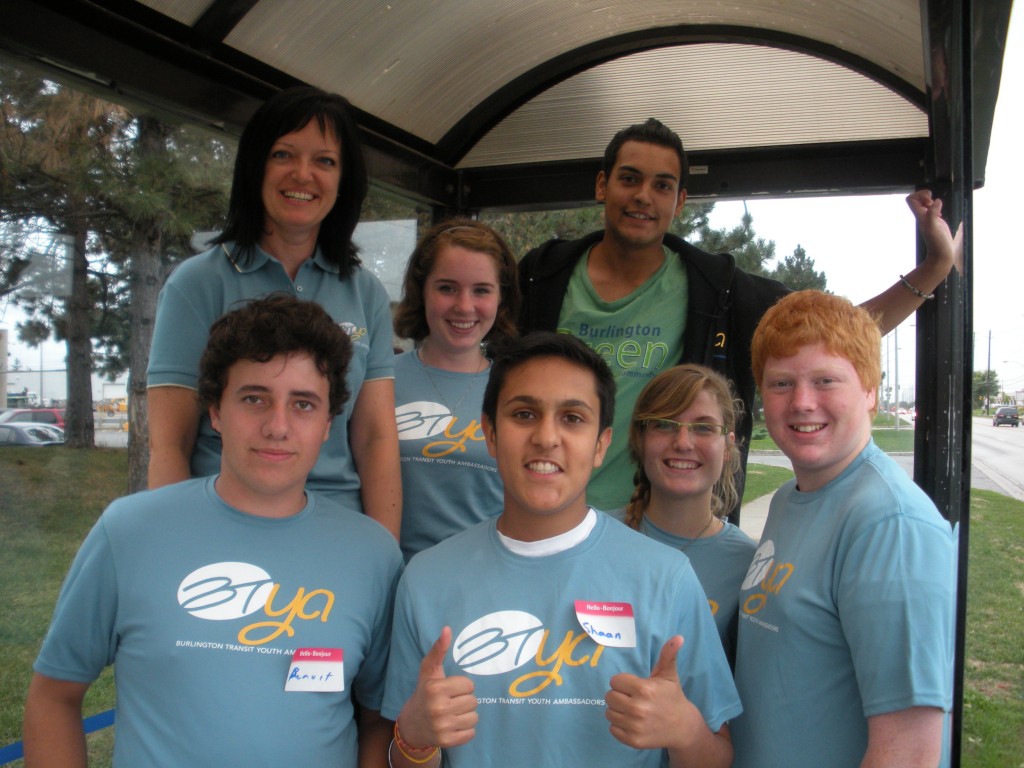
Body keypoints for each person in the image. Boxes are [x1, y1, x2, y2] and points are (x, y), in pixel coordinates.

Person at [23, 295, 403, 767]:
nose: (277, 426)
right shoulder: (130, 532)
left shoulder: (372, 555)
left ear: (328, 423)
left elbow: (378, 718)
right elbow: (54, 695)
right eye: (254, 398)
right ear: (216, 411)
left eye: (303, 404)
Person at [517, 117, 959, 517]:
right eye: (629, 179)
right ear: (602, 185)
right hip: (544, 514)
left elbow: (839, 332)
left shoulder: (720, 290)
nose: (643, 197)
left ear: (680, 200)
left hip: (661, 527)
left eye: (662, 185)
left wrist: (934, 266)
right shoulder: (542, 277)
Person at [381, 332, 741, 768]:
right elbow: (405, 754)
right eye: (525, 413)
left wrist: (684, 730)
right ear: (490, 434)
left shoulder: (667, 578)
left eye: (572, 418)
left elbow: (718, 756)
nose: (546, 437)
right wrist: (413, 741)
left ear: (601, 444)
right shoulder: (425, 579)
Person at [147, 85, 400, 538]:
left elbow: (375, 441)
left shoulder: (367, 293)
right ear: (255, 166)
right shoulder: (196, 283)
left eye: (325, 161)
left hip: (336, 530)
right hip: (222, 524)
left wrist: (384, 556)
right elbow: (170, 443)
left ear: (344, 181)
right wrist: (172, 546)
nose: (303, 175)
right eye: (284, 154)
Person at [731, 290, 955, 767]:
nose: (802, 402)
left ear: (871, 390)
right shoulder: (789, 501)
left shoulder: (891, 527)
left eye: (826, 380)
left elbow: (910, 753)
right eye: (781, 383)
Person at [392, 219, 521, 561]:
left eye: (481, 290)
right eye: (447, 288)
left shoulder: (517, 389)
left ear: (501, 297)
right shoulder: (379, 381)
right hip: (393, 579)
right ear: (422, 291)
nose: (464, 307)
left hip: (486, 581)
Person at [624, 364, 754, 665]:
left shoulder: (747, 565)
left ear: (727, 447)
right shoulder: (595, 537)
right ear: (640, 440)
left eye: (703, 428)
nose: (682, 443)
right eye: (664, 424)